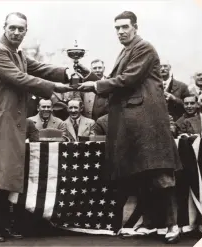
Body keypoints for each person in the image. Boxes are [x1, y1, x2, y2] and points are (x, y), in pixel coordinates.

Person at [0, 12, 72, 242]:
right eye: (11, 27)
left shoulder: (17, 53)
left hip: (4, 124)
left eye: (20, 29)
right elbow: (21, 79)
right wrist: (56, 87)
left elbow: (39, 68)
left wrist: (66, 72)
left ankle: (2, 226)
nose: (15, 32)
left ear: (25, 31)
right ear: (4, 28)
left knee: (3, 176)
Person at [77, 11, 181, 244]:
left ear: (135, 27)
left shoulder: (144, 47)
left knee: (161, 173)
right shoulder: (126, 50)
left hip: (148, 121)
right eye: (117, 28)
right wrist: (91, 78)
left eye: (125, 27)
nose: (121, 31)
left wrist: (95, 84)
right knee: (143, 174)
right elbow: (118, 79)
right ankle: (151, 223)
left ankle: (174, 225)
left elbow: (128, 79)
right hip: (132, 121)